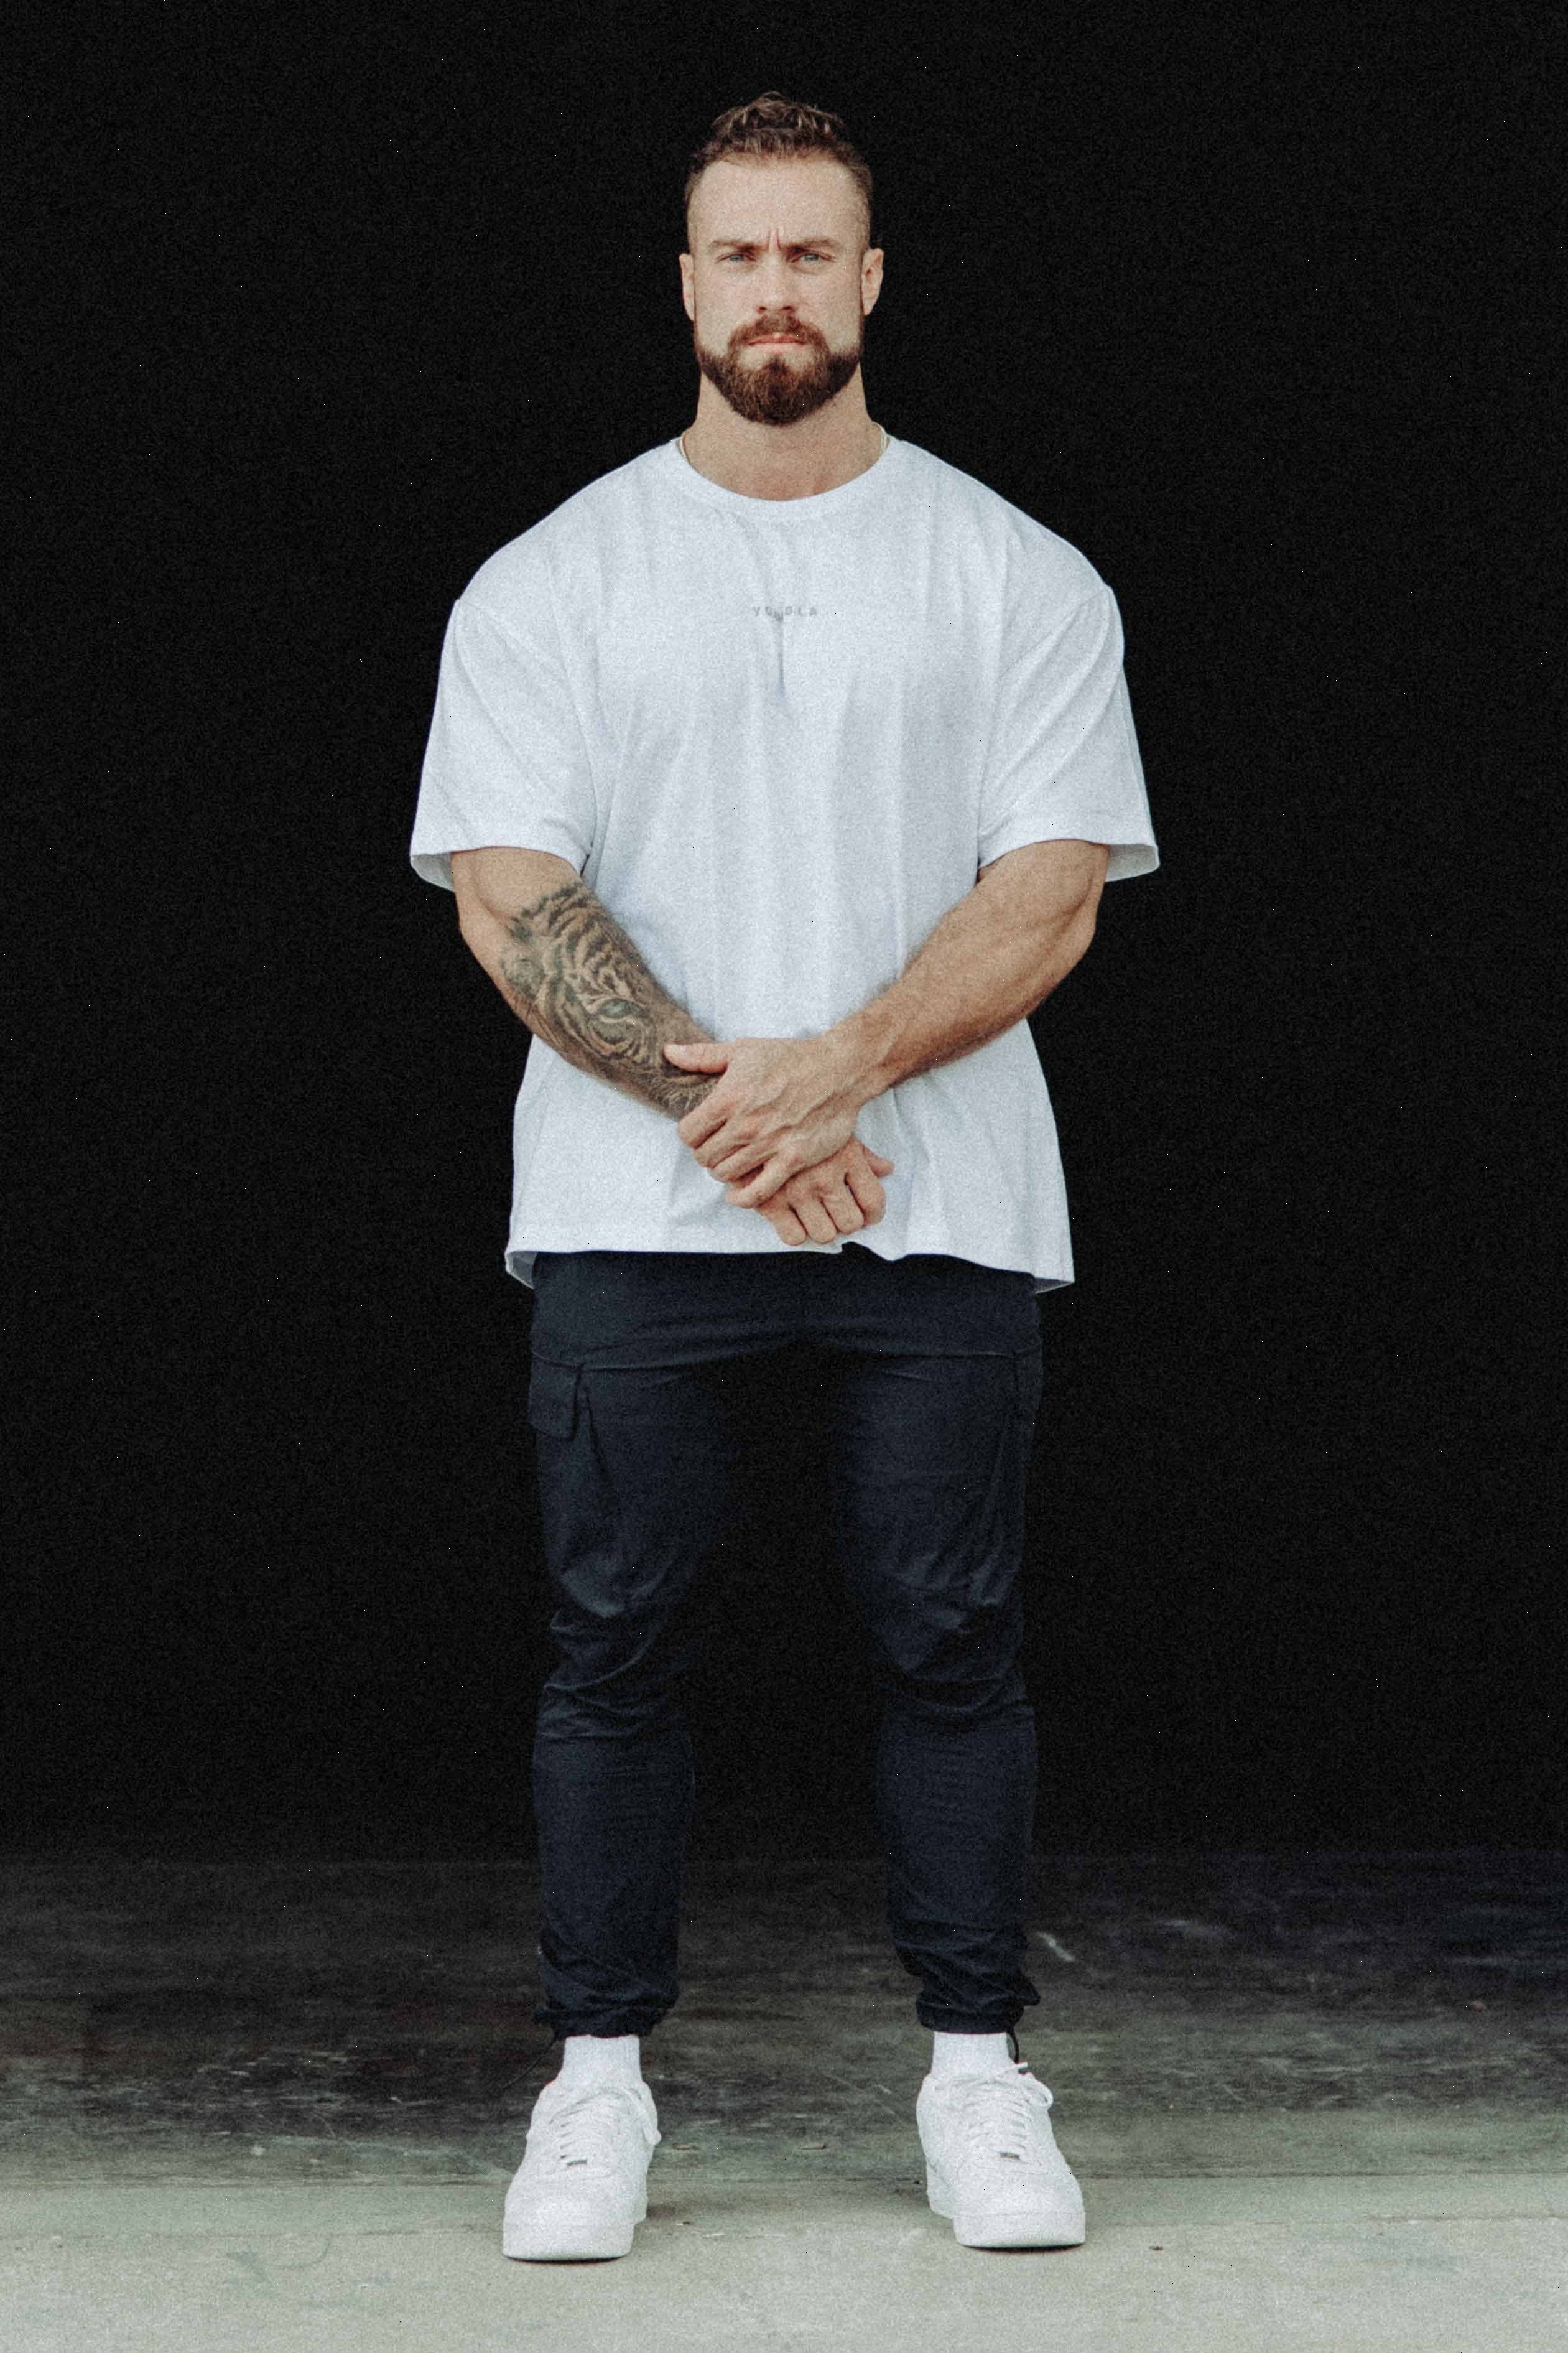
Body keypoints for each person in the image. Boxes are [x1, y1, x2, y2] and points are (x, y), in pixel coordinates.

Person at [409, 91, 1159, 2263]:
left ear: (869, 280)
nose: (772, 292)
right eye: (735, 255)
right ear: (684, 285)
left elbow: (1051, 887)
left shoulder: (1012, 570)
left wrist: (840, 1072)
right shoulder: (555, 576)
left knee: (952, 1637)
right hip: (633, 1214)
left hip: (939, 1197)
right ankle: (594, 2089)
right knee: (611, 1646)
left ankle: (976, 2079)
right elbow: (505, 890)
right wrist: (728, 1115)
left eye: (808, 254)